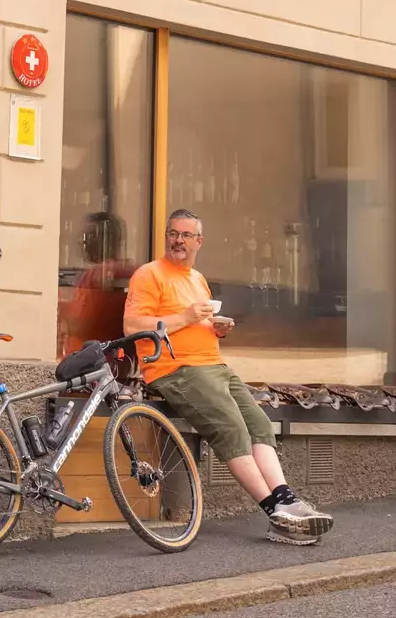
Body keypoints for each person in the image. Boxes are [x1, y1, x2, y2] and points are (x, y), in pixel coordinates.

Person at [122, 208, 334, 546]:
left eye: (186, 235)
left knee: (259, 425)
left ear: (199, 241)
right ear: (166, 237)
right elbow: (132, 327)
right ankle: (276, 515)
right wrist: (186, 316)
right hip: (176, 370)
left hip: (215, 367)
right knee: (232, 430)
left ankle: (286, 499)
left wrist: (216, 328)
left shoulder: (197, 279)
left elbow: (196, 323)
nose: (178, 240)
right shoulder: (149, 275)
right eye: (173, 234)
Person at [61, 212, 136, 356]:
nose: (85, 243)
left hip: (90, 360)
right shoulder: (129, 271)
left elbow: (80, 324)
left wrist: (60, 308)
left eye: (89, 237)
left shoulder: (99, 273)